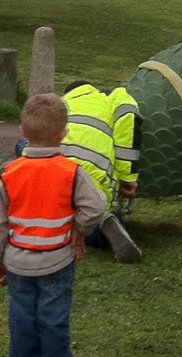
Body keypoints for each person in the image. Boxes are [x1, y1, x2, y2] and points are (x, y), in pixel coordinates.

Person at [0, 92, 105, 357]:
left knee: (21, 323)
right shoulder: (72, 172)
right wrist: (77, 231)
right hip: (58, 262)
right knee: (53, 321)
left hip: (18, 264)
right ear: (63, 134)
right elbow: (95, 208)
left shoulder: (9, 174)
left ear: (22, 132)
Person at [59, 80, 144, 263]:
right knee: (91, 213)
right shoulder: (112, 99)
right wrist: (127, 177)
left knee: (61, 219)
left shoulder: (59, 105)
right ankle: (103, 223)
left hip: (57, 173)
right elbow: (128, 118)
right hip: (96, 176)